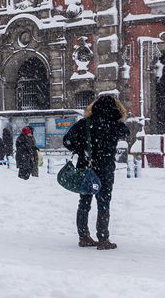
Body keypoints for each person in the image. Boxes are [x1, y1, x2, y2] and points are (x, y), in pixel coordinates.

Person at [62, 95, 129, 250]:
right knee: (104, 203)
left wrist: (81, 150)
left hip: (86, 167)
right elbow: (126, 132)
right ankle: (103, 238)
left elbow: (67, 140)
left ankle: (84, 237)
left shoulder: (84, 124)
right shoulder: (116, 125)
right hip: (105, 168)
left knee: (84, 202)